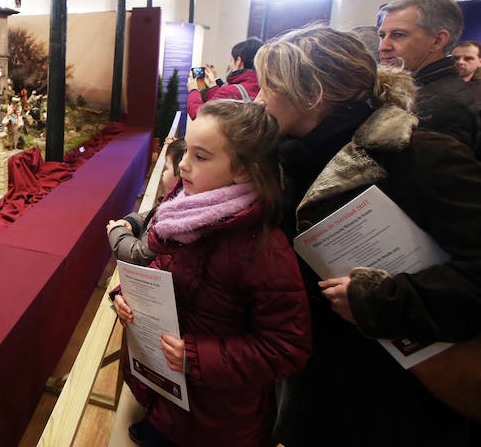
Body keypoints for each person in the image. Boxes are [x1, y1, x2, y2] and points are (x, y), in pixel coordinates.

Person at [254, 26, 481, 447]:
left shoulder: (424, 158)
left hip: (396, 392)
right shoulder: (287, 161)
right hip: (316, 378)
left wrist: (379, 299)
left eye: (270, 87)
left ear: (311, 93)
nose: (260, 98)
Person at [112, 100, 311, 447]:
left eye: (201, 157)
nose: (184, 165)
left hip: (217, 424)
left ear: (244, 170)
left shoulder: (261, 250)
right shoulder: (183, 220)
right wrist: (127, 298)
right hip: (166, 401)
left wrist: (198, 357)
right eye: (186, 151)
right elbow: (164, 273)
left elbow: (288, 346)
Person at [378, 0, 479, 150]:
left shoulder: (445, 105)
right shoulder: (416, 89)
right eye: (382, 35)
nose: (383, 47)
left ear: (438, 40)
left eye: (398, 35)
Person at [107, 139, 186, 266]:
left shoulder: (175, 216)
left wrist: (116, 231)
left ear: (182, 175)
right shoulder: (177, 202)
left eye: (166, 168)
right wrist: (133, 222)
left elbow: (138, 254)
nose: (162, 173)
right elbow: (153, 215)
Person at [186, 37, 263, 119]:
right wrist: (213, 86)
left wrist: (193, 90)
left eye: (232, 60)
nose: (231, 65)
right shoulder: (266, 88)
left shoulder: (231, 91)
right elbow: (220, 103)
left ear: (239, 61)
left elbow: (199, 114)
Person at [452, 40, 481, 106]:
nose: (460, 62)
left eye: (467, 58)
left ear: (480, 62)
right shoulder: (434, 84)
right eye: (456, 58)